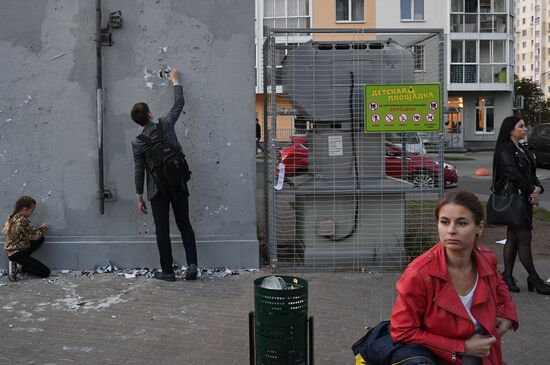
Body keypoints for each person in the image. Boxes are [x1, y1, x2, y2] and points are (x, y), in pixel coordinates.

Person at [390, 190, 518, 365]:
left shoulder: (487, 259)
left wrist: (507, 312)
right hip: (439, 358)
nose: (451, 231)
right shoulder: (420, 274)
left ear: (479, 228)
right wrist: (461, 347)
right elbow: (402, 331)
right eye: (444, 222)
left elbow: (499, 284)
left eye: (462, 223)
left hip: (487, 356)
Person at [131, 68, 198, 282]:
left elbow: (139, 170)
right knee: (184, 224)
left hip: (157, 190)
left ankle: (167, 271)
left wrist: (138, 195)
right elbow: (179, 105)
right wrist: (175, 80)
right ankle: (192, 266)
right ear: (150, 114)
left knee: (162, 231)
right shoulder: (165, 124)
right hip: (178, 183)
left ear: (137, 122)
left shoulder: (138, 143)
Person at [492, 116, 550, 295]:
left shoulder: (522, 149)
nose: (525, 129)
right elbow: (513, 174)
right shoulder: (505, 149)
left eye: (525, 126)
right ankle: (534, 278)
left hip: (523, 200)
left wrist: (538, 189)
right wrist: (530, 189)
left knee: (513, 237)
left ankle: (507, 276)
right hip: (514, 200)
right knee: (524, 238)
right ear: (511, 129)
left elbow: (531, 174)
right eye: (521, 126)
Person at [3, 196, 50, 281]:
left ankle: (18, 261)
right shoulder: (22, 220)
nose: (32, 213)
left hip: (13, 250)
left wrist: (39, 230)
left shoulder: (12, 218)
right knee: (46, 272)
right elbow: (34, 236)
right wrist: (43, 228)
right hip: (18, 253)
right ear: (24, 209)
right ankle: (20, 267)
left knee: (40, 239)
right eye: (32, 210)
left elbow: (31, 233)